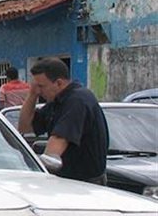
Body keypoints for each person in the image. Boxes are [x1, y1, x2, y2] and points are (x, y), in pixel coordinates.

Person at [18, 57, 108, 185]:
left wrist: (40, 174)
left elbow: (58, 141)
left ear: (59, 83)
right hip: (68, 181)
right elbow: (24, 127)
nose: (39, 91)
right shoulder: (56, 103)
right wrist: (32, 95)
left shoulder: (77, 100)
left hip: (85, 185)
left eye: (41, 86)